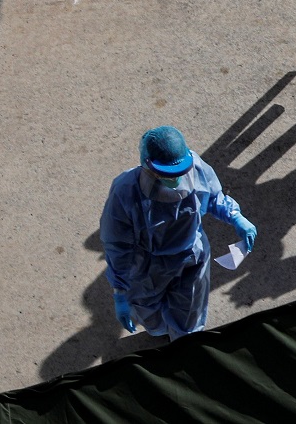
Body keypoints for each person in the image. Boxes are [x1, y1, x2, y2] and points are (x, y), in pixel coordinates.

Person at [100, 126, 257, 339]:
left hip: (192, 256)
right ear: (147, 164)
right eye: (165, 174)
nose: (175, 181)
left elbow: (212, 197)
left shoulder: (195, 167)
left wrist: (236, 217)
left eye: (179, 173)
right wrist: (119, 290)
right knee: (152, 320)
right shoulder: (125, 191)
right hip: (148, 267)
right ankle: (161, 331)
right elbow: (117, 244)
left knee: (190, 319)